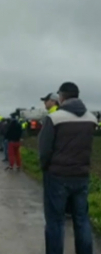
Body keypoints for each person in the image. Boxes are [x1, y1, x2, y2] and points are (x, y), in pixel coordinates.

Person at [38, 82, 97, 254]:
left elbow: (44, 149)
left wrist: (45, 167)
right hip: (81, 176)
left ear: (62, 97)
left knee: (56, 221)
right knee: (81, 219)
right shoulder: (90, 118)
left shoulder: (54, 118)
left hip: (57, 176)